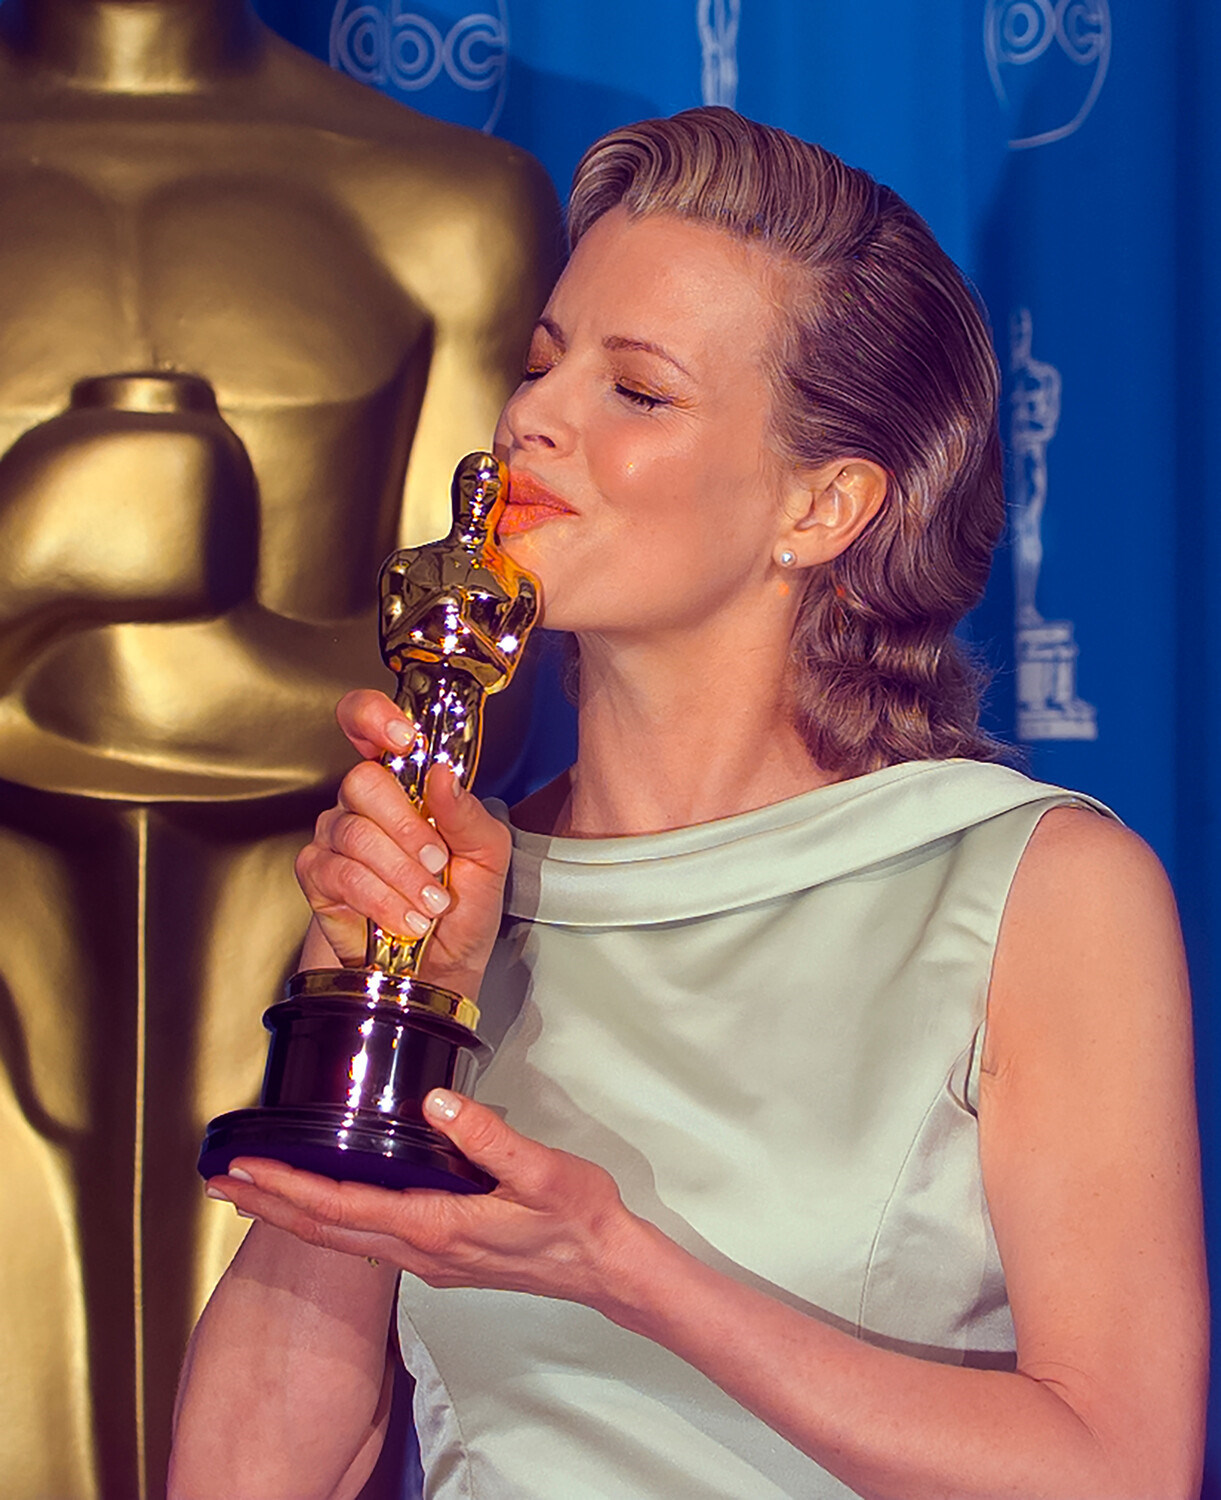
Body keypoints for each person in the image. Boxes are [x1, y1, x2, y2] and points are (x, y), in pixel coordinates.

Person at [168, 108, 1207, 1500]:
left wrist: (622, 1267)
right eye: (541, 361)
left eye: (637, 391)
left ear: (822, 507)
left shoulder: (1033, 889)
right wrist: (390, 1006)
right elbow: (243, 1477)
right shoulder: (455, 890)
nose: (533, 416)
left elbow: (1123, 1470)